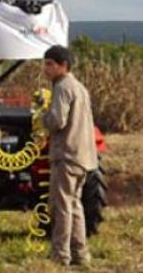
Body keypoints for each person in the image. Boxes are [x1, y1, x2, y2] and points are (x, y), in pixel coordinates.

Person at [42, 45, 98, 266]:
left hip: (66, 154)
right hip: (82, 155)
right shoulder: (80, 88)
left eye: (50, 64)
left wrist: (42, 117)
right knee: (75, 205)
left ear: (63, 66)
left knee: (62, 205)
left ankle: (60, 255)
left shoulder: (62, 87)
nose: (46, 69)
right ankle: (81, 255)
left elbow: (57, 120)